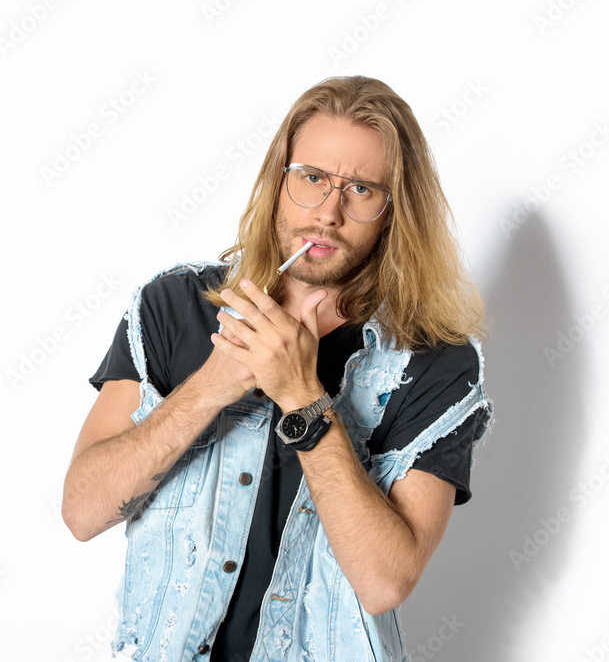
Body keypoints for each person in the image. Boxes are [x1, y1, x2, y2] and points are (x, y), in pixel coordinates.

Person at [61, 75, 494, 661]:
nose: (329, 213)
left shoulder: (436, 364)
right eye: (311, 177)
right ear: (279, 180)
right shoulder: (173, 306)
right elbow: (83, 512)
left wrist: (303, 398)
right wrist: (210, 386)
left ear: (396, 210)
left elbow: (384, 582)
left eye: (361, 189)